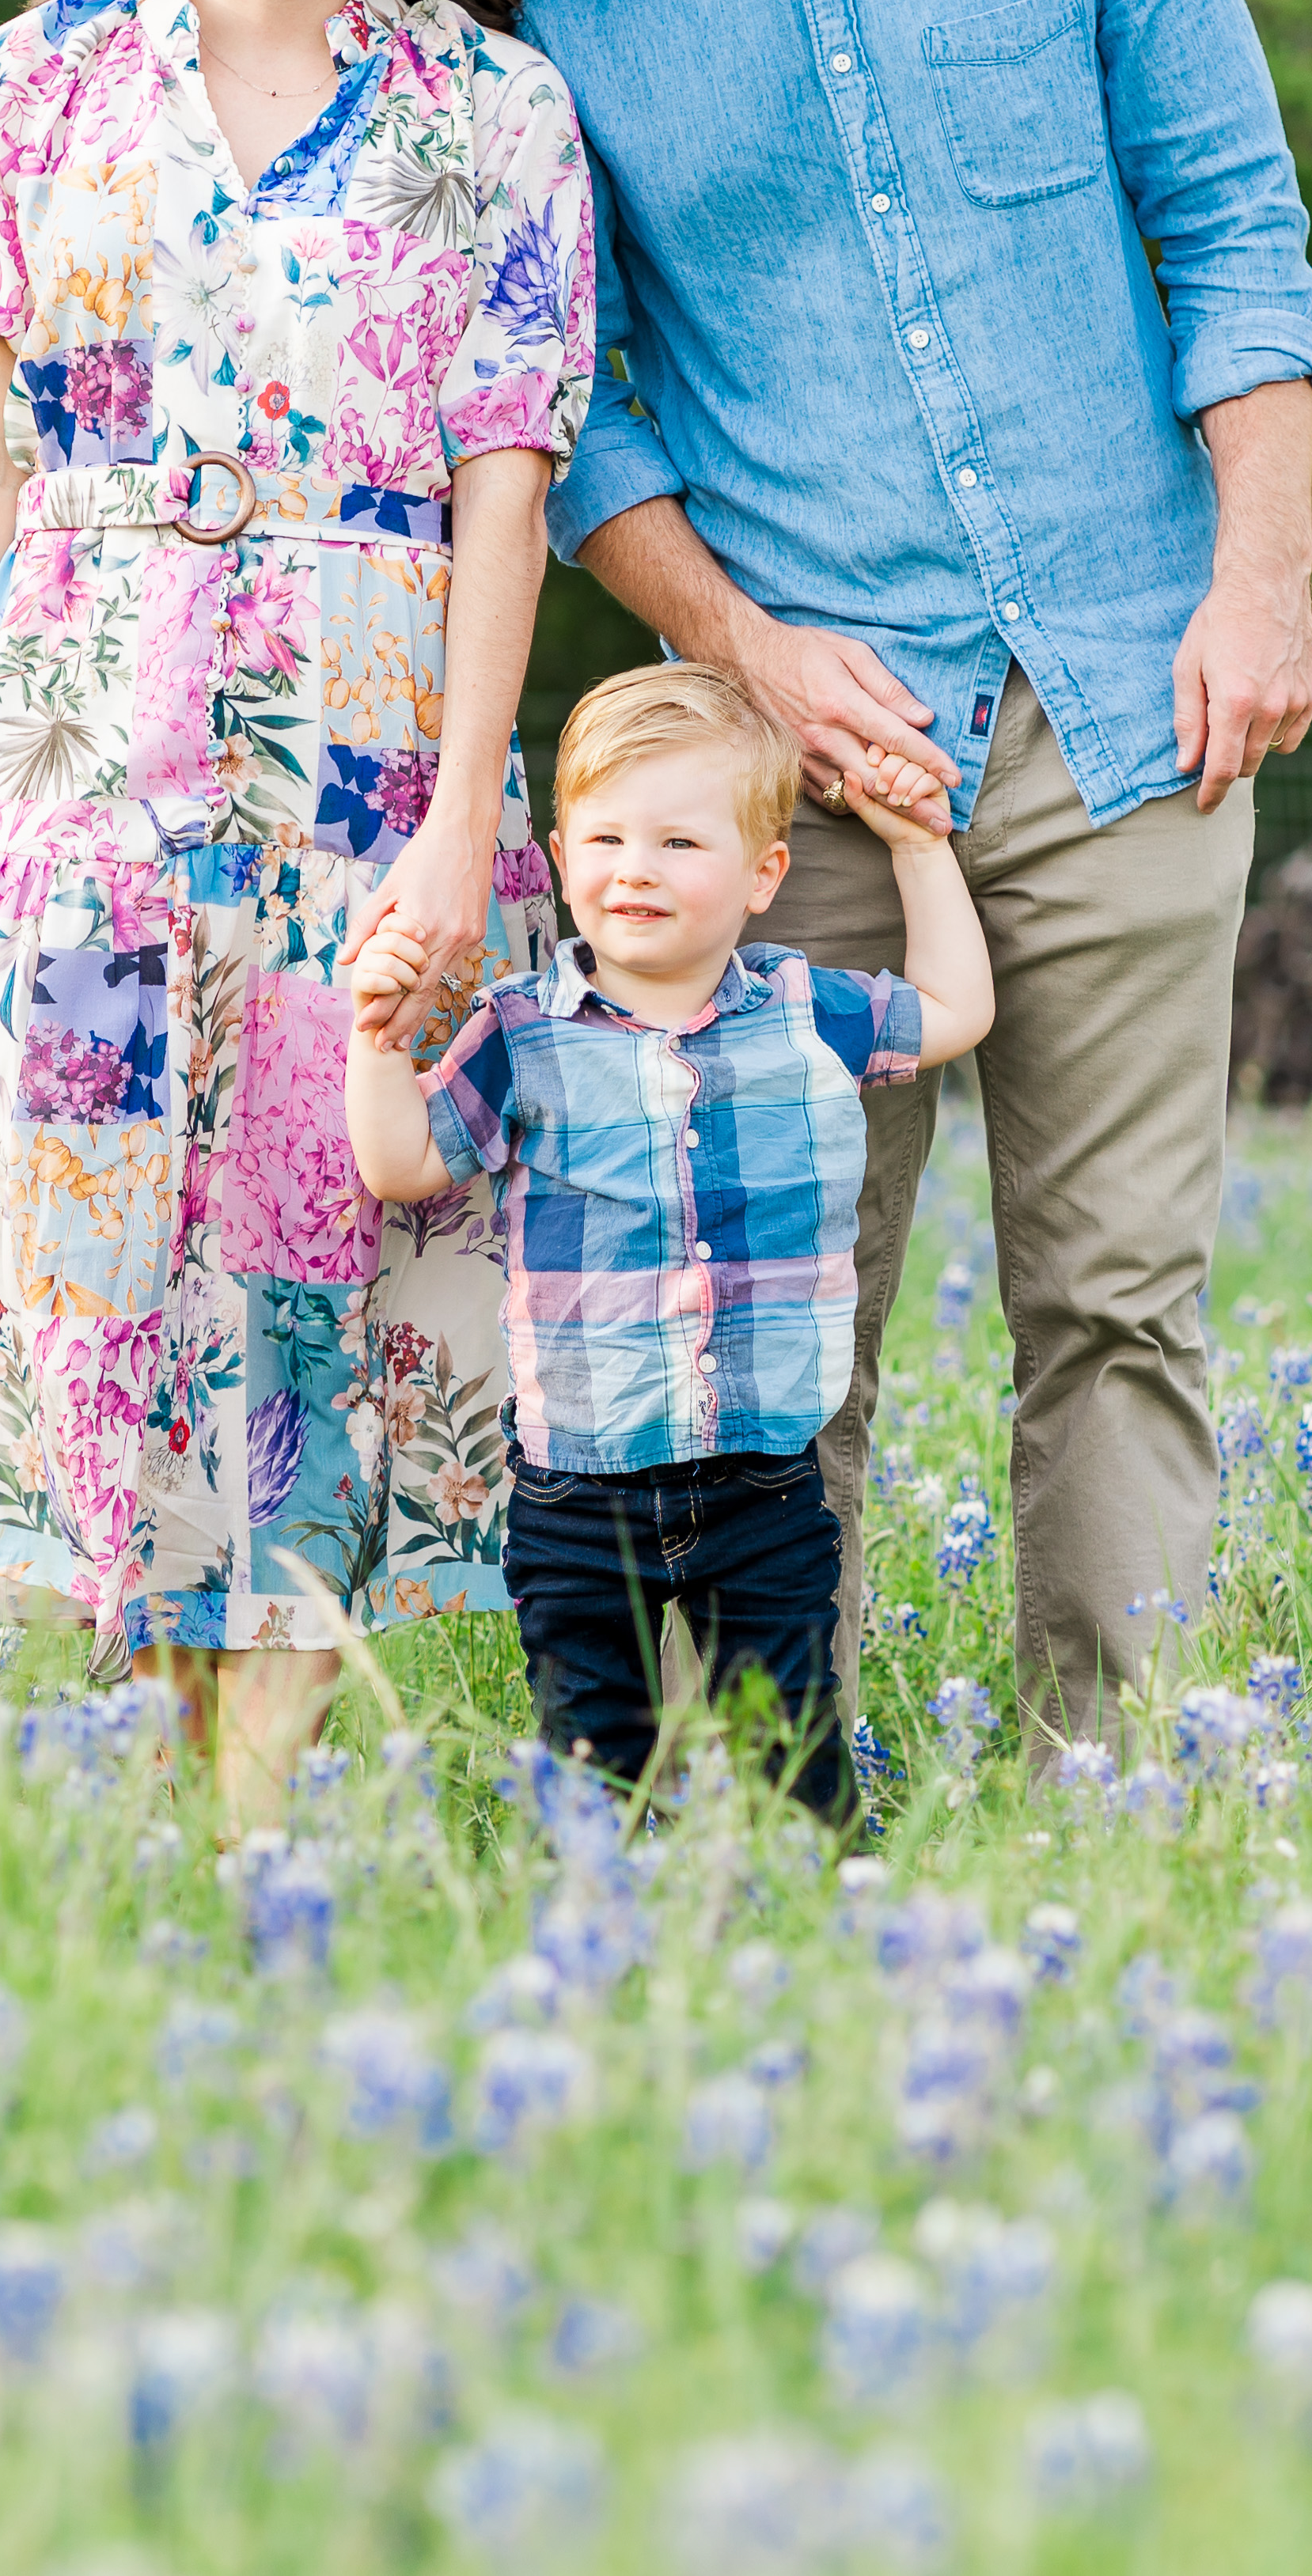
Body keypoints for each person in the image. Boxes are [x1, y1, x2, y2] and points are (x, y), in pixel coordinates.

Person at [515, 0, 1312, 1756]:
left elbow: (1231, 224)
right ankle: (770, 1804)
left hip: (1125, 689)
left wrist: (1259, 577)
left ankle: (1116, 1791)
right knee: (770, 1328)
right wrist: (747, 650)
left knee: (1118, 1299)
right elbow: (571, 401)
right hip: (792, 767)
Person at [0, 0, 594, 1829]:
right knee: (96, 1282)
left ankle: (254, 1826)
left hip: (368, 778)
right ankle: (160, 1797)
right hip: (72, 767)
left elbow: (509, 485)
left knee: (315, 1271)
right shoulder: (37, 77)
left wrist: (458, 822)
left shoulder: (490, 107)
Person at [345, 662, 993, 1817]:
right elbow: (403, 1164)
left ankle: (800, 1905)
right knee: (595, 1768)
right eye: (605, 839)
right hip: (578, 1487)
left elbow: (955, 1010)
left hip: (764, 1476)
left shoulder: (805, 1011)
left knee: (792, 1764)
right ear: (560, 857)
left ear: (764, 875)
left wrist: (916, 846)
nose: (634, 867)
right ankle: (607, 1914)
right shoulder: (521, 1031)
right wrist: (378, 1036)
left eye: (679, 843)